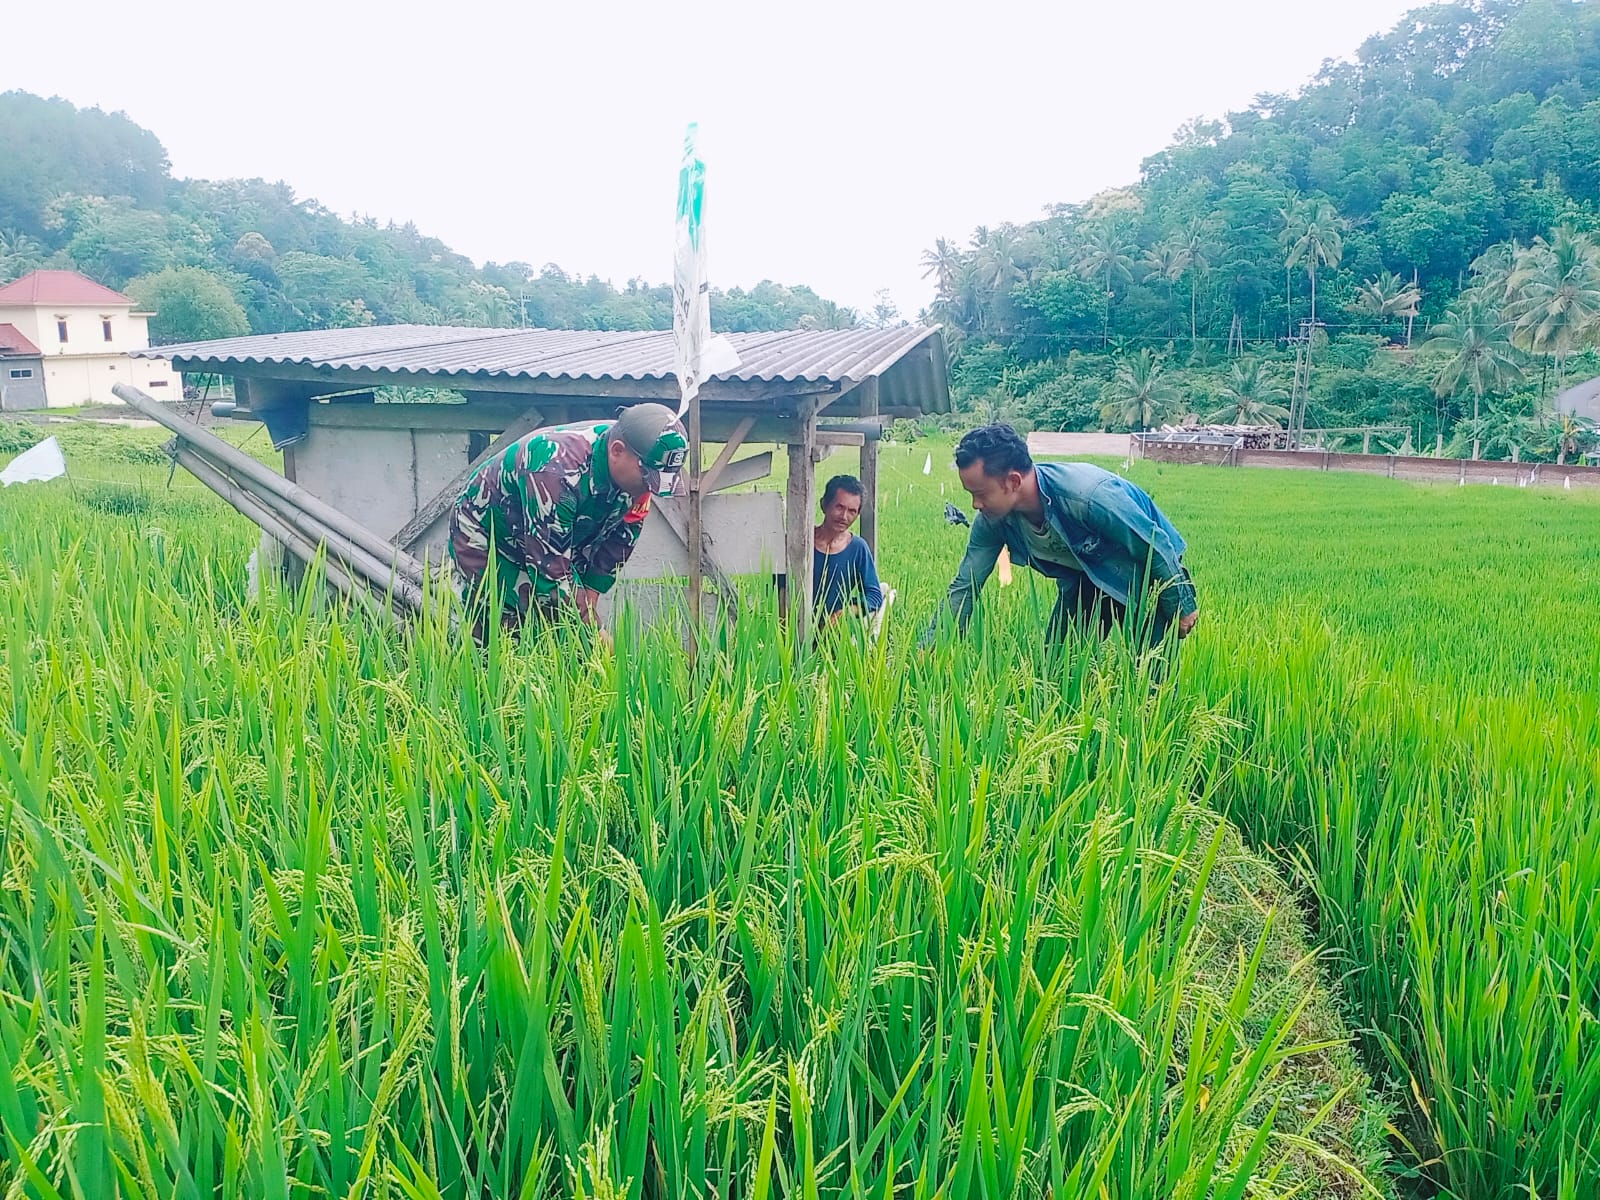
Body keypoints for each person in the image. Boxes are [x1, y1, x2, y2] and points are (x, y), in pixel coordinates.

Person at [921, 423, 1199, 653]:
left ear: (1014, 482)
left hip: (1144, 572)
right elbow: (965, 585)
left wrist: (1183, 605)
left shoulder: (1088, 496)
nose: (975, 505)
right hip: (1085, 578)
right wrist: (931, 647)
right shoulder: (994, 521)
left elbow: (1153, 544)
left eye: (981, 494)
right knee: (1059, 661)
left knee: (1151, 674)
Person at [448, 403, 688, 642]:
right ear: (616, 451)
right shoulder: (554, 471)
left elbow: (624, 535)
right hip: (488, 536)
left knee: (563, 632)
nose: (651, 489)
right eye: (647, 478)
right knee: (501, 634)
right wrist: (593, 632)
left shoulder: (636, 474)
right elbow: (550, 572)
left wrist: (591, 597)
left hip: (551, 536)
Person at [812, 474, 884, 626]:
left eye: (852, 511)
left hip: (833, 636)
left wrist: (845, 612)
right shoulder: (800, 543)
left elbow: (875, 596)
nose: (844, 517)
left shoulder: (857, 548)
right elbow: (779, 589)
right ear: (824, 504)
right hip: (792, 634)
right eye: (839, 507)